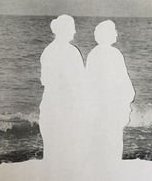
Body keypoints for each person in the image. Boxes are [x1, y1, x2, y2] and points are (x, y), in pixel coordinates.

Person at [85, 20, 135, 175]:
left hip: (98, 106)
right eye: (114, 31)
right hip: (112, 105)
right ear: (107, 35)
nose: (116, 34)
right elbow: (123, 80)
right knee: (113, 141)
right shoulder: (114, 53)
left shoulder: (93, 54)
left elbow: (88, 83)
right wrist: (129, 96)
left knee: (99, 141)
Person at [39, 14, 85, 179]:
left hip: (49, 105)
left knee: (52, 153)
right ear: (66, 30)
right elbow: (80, 82)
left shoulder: (48, 50)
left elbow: (44, 80)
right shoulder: (72, 51)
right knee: (68, 152)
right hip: (67, 107)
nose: (74, 31)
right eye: (72, 27)